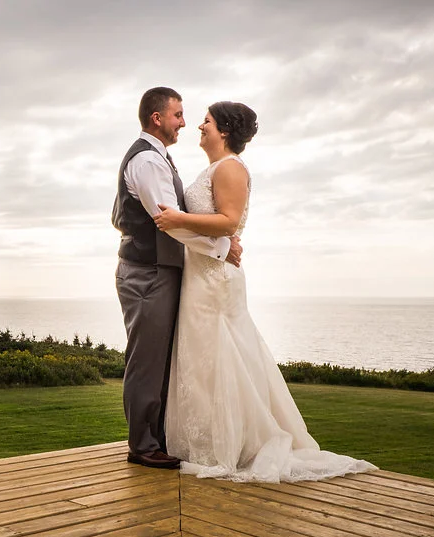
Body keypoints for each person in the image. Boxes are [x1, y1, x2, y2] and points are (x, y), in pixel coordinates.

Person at [153, 101, 377, 481]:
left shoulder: (230, 168)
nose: (199, 127)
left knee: (224, 354)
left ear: (224, 131)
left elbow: (228, 220)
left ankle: (237, 443)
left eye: (206, 121)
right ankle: (203, 440)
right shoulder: (212, 168)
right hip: (201, 276)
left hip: (216, 279)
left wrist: (177, 218)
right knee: (202, 357)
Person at [113, 87, 243, 469]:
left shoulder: (158, 159)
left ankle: (159, 437)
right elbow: (169, 224)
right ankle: (143, 445)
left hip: (159, 271)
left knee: (163, 358)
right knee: (147, 360)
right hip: (149, 273)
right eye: (178, 115)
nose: (184, 123)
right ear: (158, 118)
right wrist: (222, 248)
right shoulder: (149, 162)